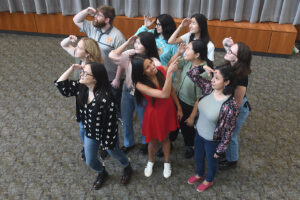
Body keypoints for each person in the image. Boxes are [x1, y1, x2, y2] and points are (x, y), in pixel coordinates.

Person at [54, 62, 132, 190]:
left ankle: (126, 165)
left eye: (85, 73)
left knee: (115, 153)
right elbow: (61, 85)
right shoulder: (81, 87)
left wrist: (106, 144)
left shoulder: (106, 99)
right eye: (82, 71)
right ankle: (102, 172)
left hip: (106, 133)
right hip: (90, 132)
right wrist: (71, 68)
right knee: (90, 160)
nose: (81, 74)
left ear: (94, 78)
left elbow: (110, 125)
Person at [185, 64, 239, 192]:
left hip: (212, 140)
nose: (212, 80)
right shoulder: (209, 88)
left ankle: (209, 180)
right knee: (198, 156)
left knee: (212, 161)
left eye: (217, 78)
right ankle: (199, 174)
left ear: (227, 82)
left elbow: (228, 131)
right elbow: (191, 74)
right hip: (199, 133)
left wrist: (220, 150)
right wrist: (202, 68)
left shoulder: (230, 106)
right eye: (213, 76)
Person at [109, 32, 163, 154]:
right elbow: (112, 55)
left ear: (147, 45)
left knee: (144, 120)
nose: (136, 45)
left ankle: (145, 142)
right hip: (127, 91)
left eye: (140, 43)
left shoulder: (153, 61)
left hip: (144, 94)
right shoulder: (130, 54)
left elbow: (159, 78)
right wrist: (127, 43)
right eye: (136, 42)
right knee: (126, 118)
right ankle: (129, 143)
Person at [131, 55, 181, 178]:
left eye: (151, 63)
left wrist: (178, 107)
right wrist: (169, 73)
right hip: (154, 114)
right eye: (148, 67)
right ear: (141, 72)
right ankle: (151, 161)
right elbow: (164, 94)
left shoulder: (161, 70)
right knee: (153, 141)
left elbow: (172, 91)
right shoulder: (139, 84)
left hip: (168, 110)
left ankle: (167, 162)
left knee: (166, 139)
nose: (153, 66)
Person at [73, 5, 126, 115]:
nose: (95, 17)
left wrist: (117, 79)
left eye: (99, 15)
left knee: (114, 100)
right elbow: (76, 19)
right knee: (96, 97)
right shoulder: (92, 27)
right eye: (96, 14)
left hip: (110, 77)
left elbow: (122, 59)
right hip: (93, 74)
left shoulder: (118, 36)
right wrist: (87, 11)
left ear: (107, 20)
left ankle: (118, 116)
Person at [60, 35, 103, 161]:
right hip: (80, 94)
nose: (75, 49)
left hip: (91, 98)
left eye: (79, 48)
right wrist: (69, 39)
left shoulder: (94, 67)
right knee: (82, 125)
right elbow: (63, 44)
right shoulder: (80, 57)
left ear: (87, 54)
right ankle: (86, 145)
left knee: (94, 124)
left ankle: (99, 145)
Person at [168, 40, 211, 159]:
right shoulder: (188, 62)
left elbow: (200, 99)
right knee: (175, 123)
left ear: (197, 54)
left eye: (188, 49)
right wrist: (178, 53)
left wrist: (192, 116)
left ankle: (190, 145)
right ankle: (169, 142)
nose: (185, 51)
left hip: (191, 105)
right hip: (179, 99)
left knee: (187, 127)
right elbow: (171, 64)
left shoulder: (204, 73)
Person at [218, 38, 252, 169]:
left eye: (230, 51)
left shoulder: (242, 76)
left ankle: (232, 160)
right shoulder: (233, 63)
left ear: (238, 58)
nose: (227, 51)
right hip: (230, 102)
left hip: (238, 108)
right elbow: (231, 52)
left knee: (230, 134)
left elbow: (237, 103)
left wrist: (228, 117)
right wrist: (227, 45)